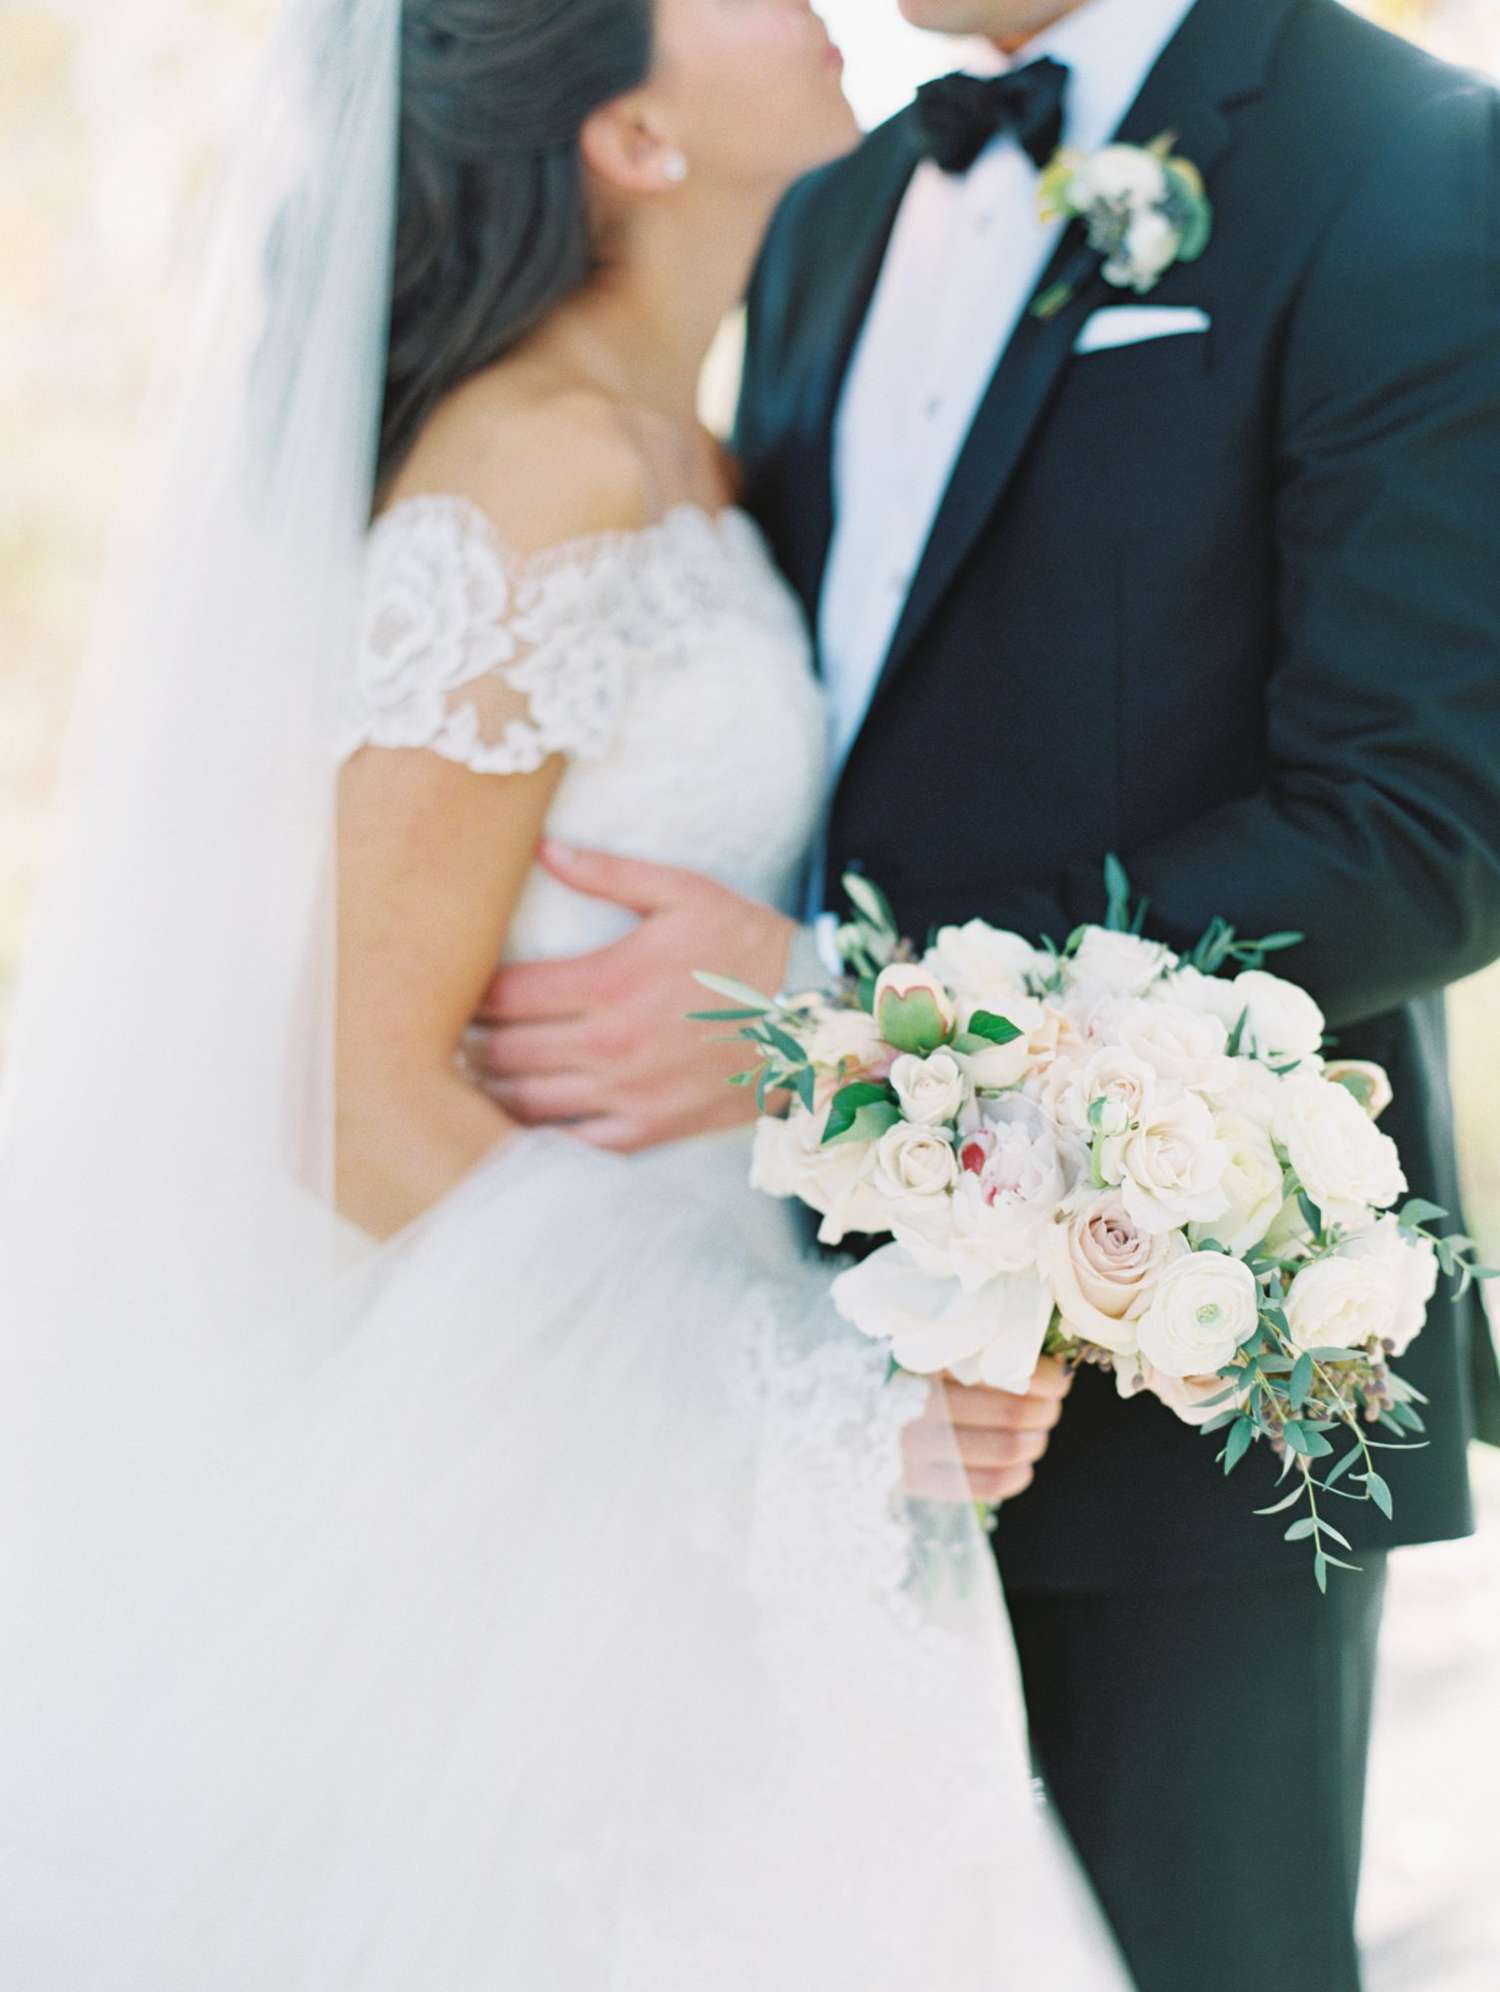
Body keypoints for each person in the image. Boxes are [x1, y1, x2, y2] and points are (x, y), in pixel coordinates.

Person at [0, 1, 1127, 1984]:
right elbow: (352, 1102)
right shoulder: (536, 471)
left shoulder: (686, 443)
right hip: (559, 1479)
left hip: (667, 1415)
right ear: (632, 139)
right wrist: (800, 1405)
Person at [475, 1, 1500, 1986]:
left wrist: (846, 1006)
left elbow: (1422, 825)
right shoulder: (836, 195)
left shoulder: (1405, 158)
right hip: (769, 1368)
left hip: (1173, 1367)